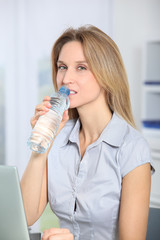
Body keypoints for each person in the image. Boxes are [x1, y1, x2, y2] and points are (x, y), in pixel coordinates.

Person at [21, 25, 154, 240]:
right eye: (62, 67)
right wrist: (41, 145)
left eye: (81, 67)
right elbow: (25, 216)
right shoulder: (59, 136)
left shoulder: (132, 148)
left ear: (105, 74)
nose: (65, 79)